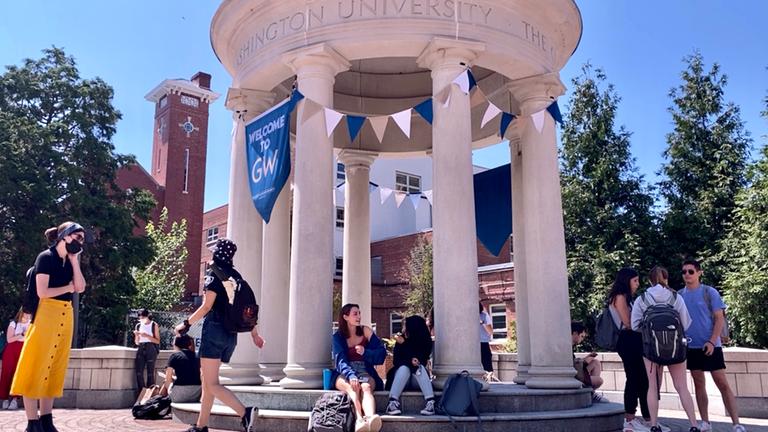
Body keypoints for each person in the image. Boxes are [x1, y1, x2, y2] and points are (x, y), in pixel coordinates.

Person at [174, 238, 264, 432]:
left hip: (214, 331)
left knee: (212, 383)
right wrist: (254, 334)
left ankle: (245, 413)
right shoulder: (235, 276)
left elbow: (207, 306)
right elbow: (244, 309)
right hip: (230, 335)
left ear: (218, 253)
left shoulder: (214, 274)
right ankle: (201, 426)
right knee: (208, 381)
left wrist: (186, 324)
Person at [11, 222, 87, 432]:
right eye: (77, 237)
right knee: (35, 365)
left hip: (65, 314)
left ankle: (46, 419)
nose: (80, 242)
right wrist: (69, 287)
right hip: (46, 313)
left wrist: (74, 261)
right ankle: (32, 422)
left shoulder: (69, 260)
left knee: (54, 368)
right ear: (64, 236)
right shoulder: (45, 257)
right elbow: (43, 292)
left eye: (82, 239)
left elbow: (80, 287)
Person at [678, 259, 747, 432]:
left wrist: (711, 341)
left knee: (722, 383)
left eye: (691, 271)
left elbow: (719, 318)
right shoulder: (679, 295)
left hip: (711, 345)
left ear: (699, 273)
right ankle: (705, 422)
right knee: (698, 384)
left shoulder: (709, 292)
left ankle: (736, 423)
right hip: (691, 347)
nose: (687, 274)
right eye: (684, 272)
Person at [631, 266, 699, 432]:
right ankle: (694, 425)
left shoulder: (642, 299)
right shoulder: (676, 297)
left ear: (650, 281)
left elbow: (634, 325)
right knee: (682, 387)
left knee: (653, 387)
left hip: (651, 350)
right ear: (666, 279)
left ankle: (654, 425)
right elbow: (686, 323)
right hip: (676, 348)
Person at [608, 268, 671, 432]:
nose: (637, 284)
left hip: (634, 340)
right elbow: (628, 323)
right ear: (626, 280)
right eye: (635, 280)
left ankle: (649, 419)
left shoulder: (628, 297)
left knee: (643, 379)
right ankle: (629, 419)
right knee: (634, 378)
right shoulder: (620, 297)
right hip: (627, 339)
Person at [332, 303, 386, 432]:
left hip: (365, 370)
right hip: (344, 372)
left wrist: (365, 352)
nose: (359, 316)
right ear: (345, 317)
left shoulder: (366, 331)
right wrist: (351, 375)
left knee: (366, 387)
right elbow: (340, 361)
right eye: (355, 314)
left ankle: (371, 419)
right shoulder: (338, 337)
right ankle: (359, 420)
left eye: (359, 313)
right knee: (353, 388)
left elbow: (381, 353)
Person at [385, 315, 435, 416]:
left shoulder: (425, 342)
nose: (404, 328)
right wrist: (409, 359)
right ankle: (392, 403)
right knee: (405, 368)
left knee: (419, 367)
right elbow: (397, 361)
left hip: (417, 379)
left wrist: (407, 348)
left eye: (406, 325)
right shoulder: (401, 340)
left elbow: (422, 359)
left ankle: (430, 403)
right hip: (402, 378)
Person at [0, 308, 32, 410]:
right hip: (11, 350)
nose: (27, 316)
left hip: (24, 350)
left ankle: (15, 399)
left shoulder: (31, 324)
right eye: (25, 314)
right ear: (21, 313)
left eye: (29, 314)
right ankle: (5, 399)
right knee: (7, 373)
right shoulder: (14, 323)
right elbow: (9, 340)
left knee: (18, 374)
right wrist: (21, 334)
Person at [160, 335, 201, 403]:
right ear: (189, 344)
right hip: (196, 394)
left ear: (175, 345)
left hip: (178, 395)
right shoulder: (198, 356)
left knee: (166, 382)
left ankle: (158, 402)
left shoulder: (174, 356)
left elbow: (168, 380)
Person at [570, 322, 605, 402]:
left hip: (577, 372)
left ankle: (591, 393)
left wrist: (585, 360)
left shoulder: (571, 346)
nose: (582, 339)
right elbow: (571, 365)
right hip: (573, 375)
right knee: (599, 380)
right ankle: (591, 393)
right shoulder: (566, 346)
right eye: (581, 336)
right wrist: (584, 361)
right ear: (575, 333)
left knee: (595, 363)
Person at [134, 309, 161, 390]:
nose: (141, 319)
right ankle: (141, 391)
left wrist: (147, 336)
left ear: (147, 316)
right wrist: (137, 335)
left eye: (143, 317)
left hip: (151, 347)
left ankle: (151, 391)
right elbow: (137, 343)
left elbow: (157, 341)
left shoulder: (154, 325)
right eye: (140, 318)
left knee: (150, 373)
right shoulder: (138, 325)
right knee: (139, 372)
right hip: (141, 347)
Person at [478, 302, 497, 382]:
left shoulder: (484, 316)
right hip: (472, 344)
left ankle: (488, 378)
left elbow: (490, 331)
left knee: (487, 364)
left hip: (483, 343)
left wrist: (482, 323)